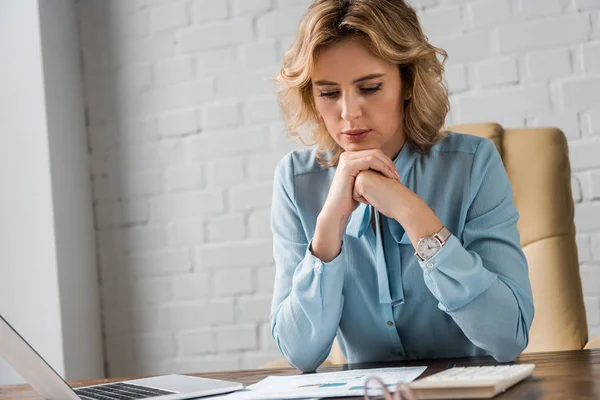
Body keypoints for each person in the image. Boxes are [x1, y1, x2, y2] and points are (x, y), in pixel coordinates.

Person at [269, 0, 534, 373]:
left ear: (407, 83)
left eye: (370, 87)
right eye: (329, 93)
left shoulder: (474, 164)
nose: (349, 113)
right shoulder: (296, 182)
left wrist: (411, 212)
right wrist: (329, 225)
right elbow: (300, 352)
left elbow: (507, 337)